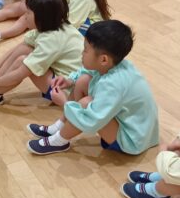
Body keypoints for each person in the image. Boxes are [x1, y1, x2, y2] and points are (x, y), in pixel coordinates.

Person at [26, 19, 159, 155]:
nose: (82, 53)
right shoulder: (116, 64)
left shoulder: (113, 84)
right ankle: (59, 127)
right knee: (83, 81)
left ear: (103, 59)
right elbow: (87, 71)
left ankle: (59, 141)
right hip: (138, 127)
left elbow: (91, 121)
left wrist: (64, 103)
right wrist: (70, 80)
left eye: (85, 50)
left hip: (132, 140)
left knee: (86, 104)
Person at [0, 0, 82, 110]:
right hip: (66, 80)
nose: (24, 16)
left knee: (22, 62)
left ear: (42, 17)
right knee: (25, 48)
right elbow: (20, 47)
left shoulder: (51, 40)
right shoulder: (54, 26)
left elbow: (20, 73)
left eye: (28, 13)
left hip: (67, 93)